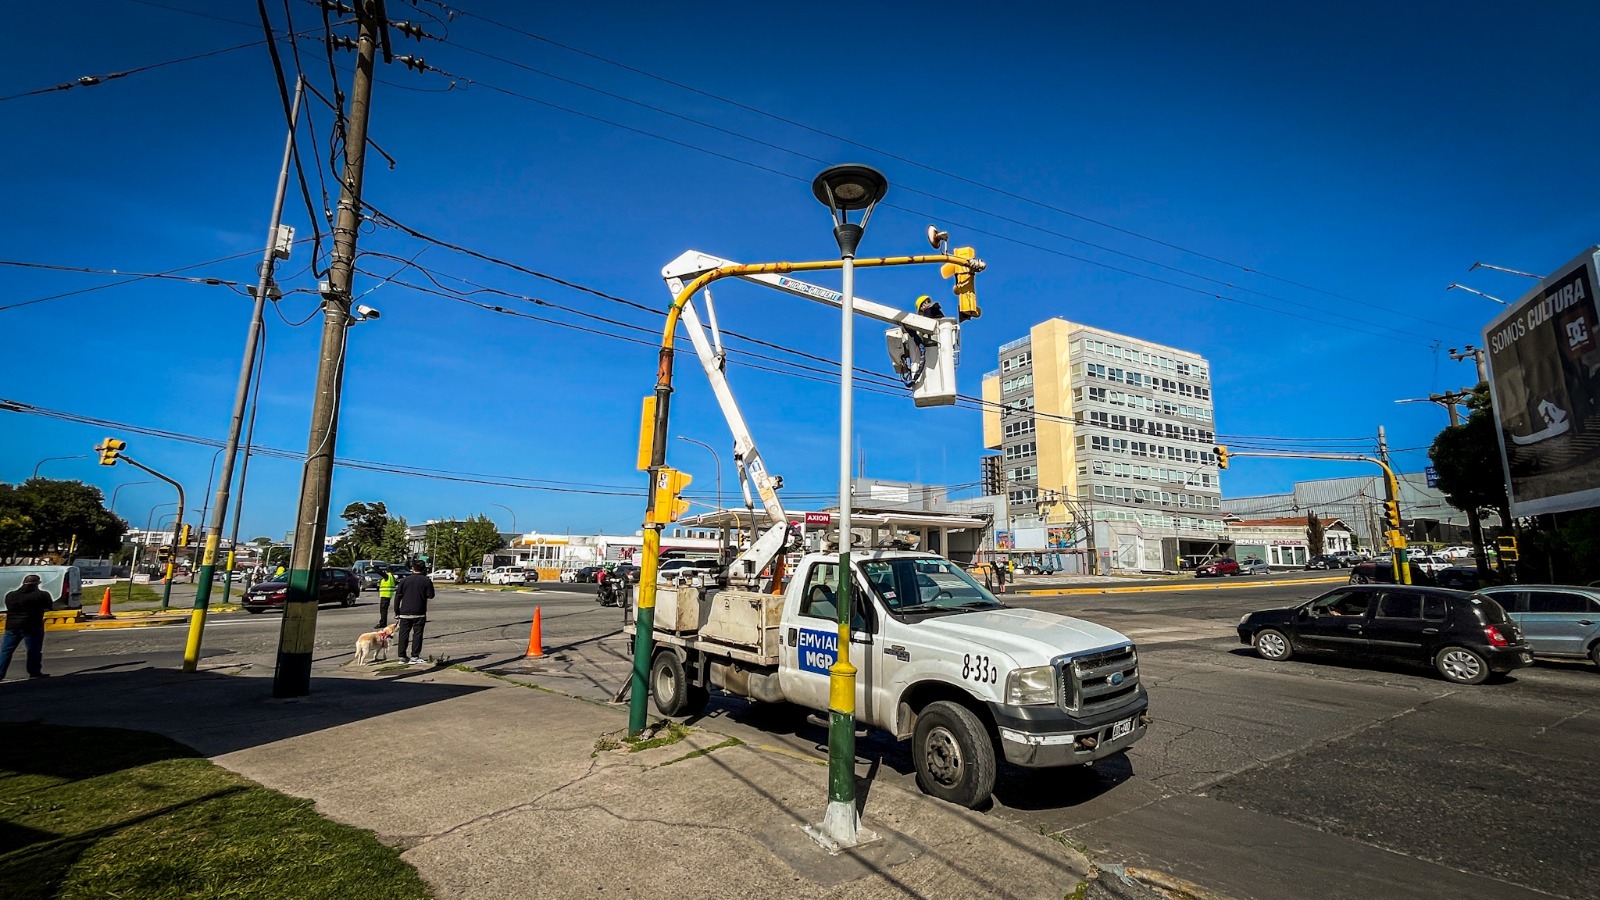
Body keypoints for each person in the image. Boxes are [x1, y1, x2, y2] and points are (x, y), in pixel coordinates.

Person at [1, 574, 53, 680]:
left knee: (6, 651)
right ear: (37, 584)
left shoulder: (11, 595)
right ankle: (34, 672)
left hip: (12, 626)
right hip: (31, 625)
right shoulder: (41, 595)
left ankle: (0, 673)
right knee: (33, 650)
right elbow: (49, 607)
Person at [393, 561, 435, 665]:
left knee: (403, 634)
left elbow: (398, 596)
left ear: (413, 568)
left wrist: (397, 611)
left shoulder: (404, 580)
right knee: (417, 634)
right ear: (424, 569)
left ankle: (402, 657)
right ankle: (414, 656)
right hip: (419, 611)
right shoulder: (426, 581)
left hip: (405, 611)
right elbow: (431, 595)